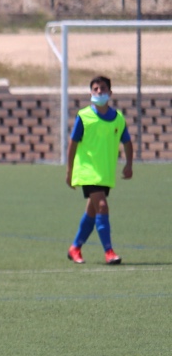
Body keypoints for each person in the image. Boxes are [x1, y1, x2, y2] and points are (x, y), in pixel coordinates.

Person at [65, 74, 133, 265]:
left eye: (102, 88)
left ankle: (75, 247)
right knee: (102, 206)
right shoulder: (84, 116)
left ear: (110, 92)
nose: (99, 92)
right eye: (95, 89)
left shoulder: (117, 118)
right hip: (87, 171)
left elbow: (127, 141)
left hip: (105, 173)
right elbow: (73, 143)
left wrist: (129, 164)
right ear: (90, 93)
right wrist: (70, 171)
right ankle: (109, 251)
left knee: (93, 211)